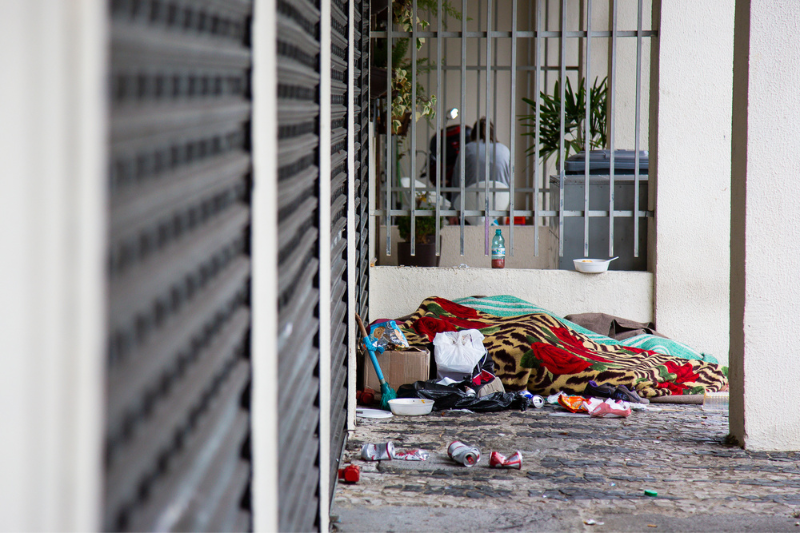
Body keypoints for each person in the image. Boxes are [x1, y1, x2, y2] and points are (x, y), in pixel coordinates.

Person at [449, 118, 511, 224]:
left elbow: (456, 182)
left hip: (471, 203)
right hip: (498, 202)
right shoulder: (505, 150)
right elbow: (509, 180)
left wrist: (453, 211)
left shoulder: (467, 149)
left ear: (473, 134)